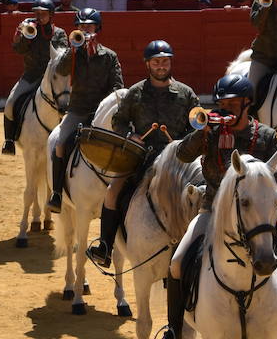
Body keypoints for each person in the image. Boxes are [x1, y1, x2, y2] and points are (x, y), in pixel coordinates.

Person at [149, 73, 277, 339]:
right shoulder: (211, 132)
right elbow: (181, 155)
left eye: (232, 105)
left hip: (257, 218)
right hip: (213, 211)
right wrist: (201, 134)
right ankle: (173, 331)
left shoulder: (266, 137)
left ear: (246, 105)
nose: (226, 110)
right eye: (222, 104)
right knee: (178, 262)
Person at [85, 39, 200, 269]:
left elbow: (195, 126)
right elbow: (118, 121)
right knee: (112, 191)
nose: (161, 66)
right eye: (156, 62)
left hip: (177, 161)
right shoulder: (135, 92)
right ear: (147, 64)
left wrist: (185, 142)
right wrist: (130, 135)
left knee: (202, 193)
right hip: (140, 158)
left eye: (165, 61)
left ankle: (200, 247)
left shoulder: (186, 94)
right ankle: (105, 247)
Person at [46, 7, 123, 214]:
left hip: (103, 112)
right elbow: (60, 70)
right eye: (80, 27)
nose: (85, 30)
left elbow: (117, 86)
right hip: (78, 110)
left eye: (88, 26)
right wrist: (74, 49)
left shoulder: (109, 56)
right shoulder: (73, 54)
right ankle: (56, 193)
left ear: (98, 28)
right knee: (60, 144)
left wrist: (105, 109)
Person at [2, 0, 67, 154]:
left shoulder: (59, 34)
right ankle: (9, 141)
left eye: (42, 14)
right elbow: (19, 50)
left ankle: (65, 138)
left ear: (51, 15)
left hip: (51, 78)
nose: (38, 17)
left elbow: (62, 57)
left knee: (65, 103)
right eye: (36, 13)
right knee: (10, 103)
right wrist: (21, 36)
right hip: (31, 76)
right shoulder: (29, 29)